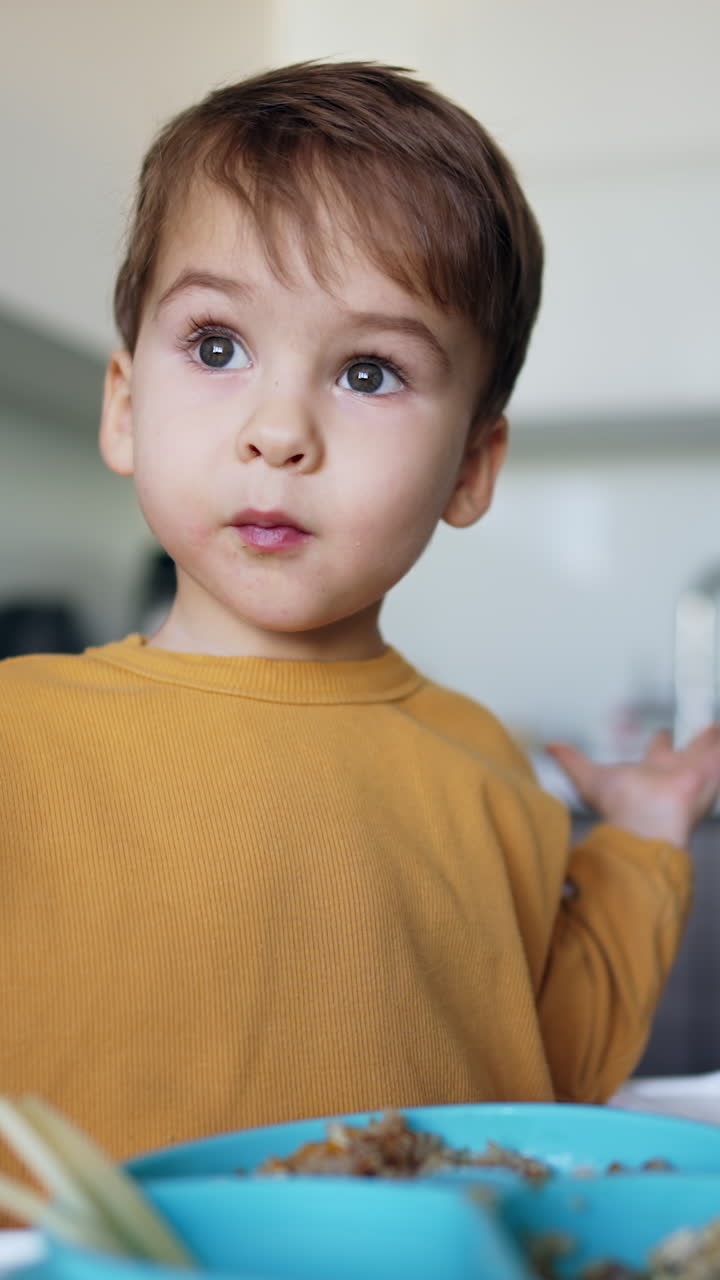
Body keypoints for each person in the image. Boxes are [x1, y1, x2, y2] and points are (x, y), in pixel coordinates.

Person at [2, 60, 719, 1171]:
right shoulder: (16, 733)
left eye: (371, 372)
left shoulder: (485, 770)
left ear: (472, 467)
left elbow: (554, 1067)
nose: (279, 428)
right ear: (127, 405)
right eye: (217, 345)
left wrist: (645, 838)